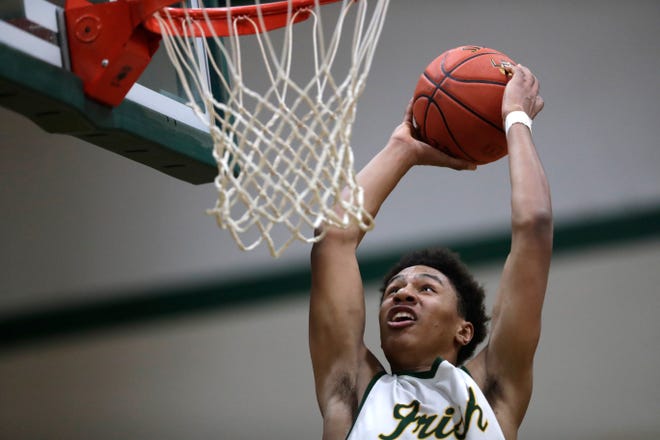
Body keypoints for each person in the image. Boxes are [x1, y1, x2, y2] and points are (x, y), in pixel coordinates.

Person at [309, 64, 552, 439]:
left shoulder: (492, 391)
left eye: (426, 288)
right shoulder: (353, 391)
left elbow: (534, 228)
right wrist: (402, 150)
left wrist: (515, 118)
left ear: (464, 331)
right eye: (393, 291)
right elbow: (331, 240)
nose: (402, 293)